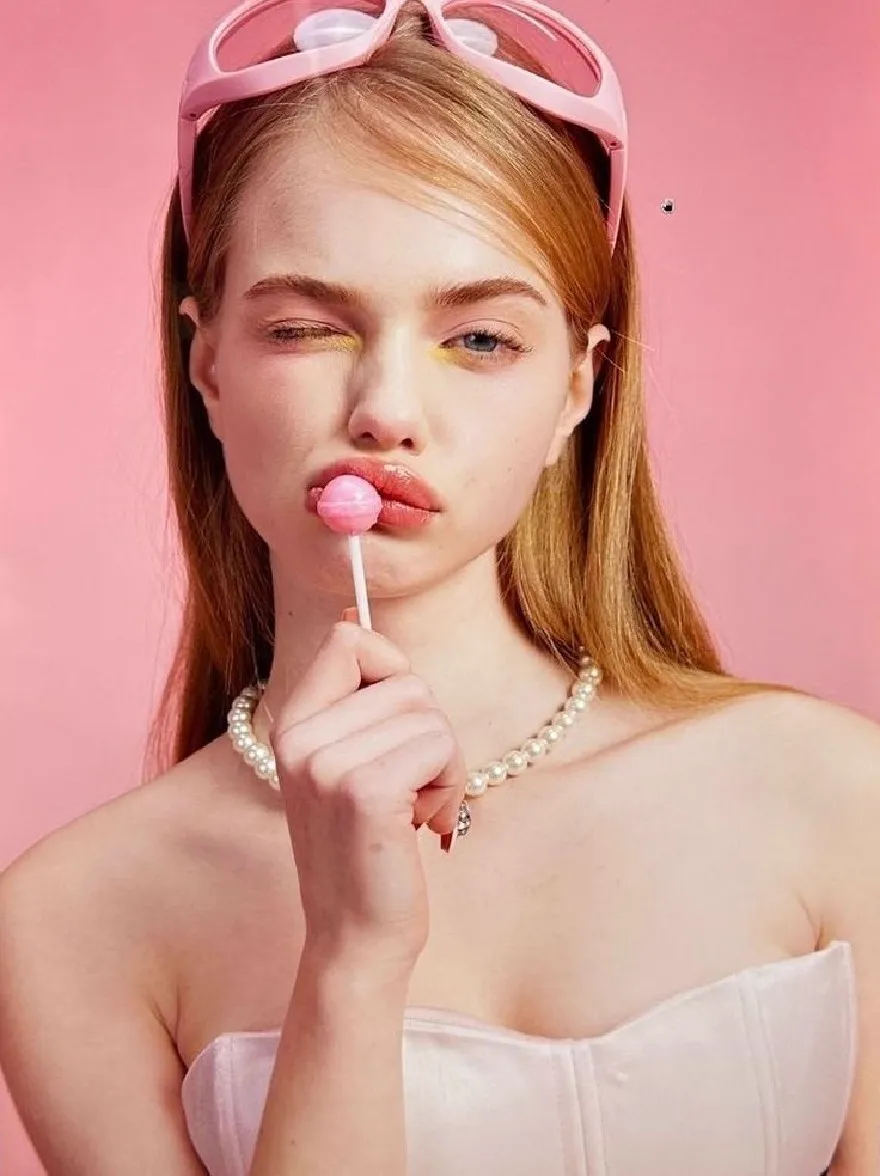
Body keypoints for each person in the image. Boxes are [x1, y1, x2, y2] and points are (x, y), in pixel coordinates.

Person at [1, 0, 878, 1172]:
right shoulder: (69, 921)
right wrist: (353, 961)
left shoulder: (832, 794)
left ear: (579, 381)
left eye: (479, 340)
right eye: (307, 327)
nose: (387, 413)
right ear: (205, 361)